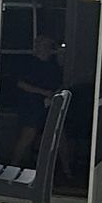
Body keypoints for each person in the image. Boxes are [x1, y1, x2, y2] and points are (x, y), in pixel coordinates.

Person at [9, 32, 63, 164]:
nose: (44, 48)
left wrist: (54, 95)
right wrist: (43, 92)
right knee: (28, 135)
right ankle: (13, 165)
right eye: (41, 45)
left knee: (60, 136)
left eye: (48, 46)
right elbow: (20, 84)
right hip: (31, 105)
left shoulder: (54, 65)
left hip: (50, 104)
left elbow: (59, 83)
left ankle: (67, 171)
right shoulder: (28, 63)